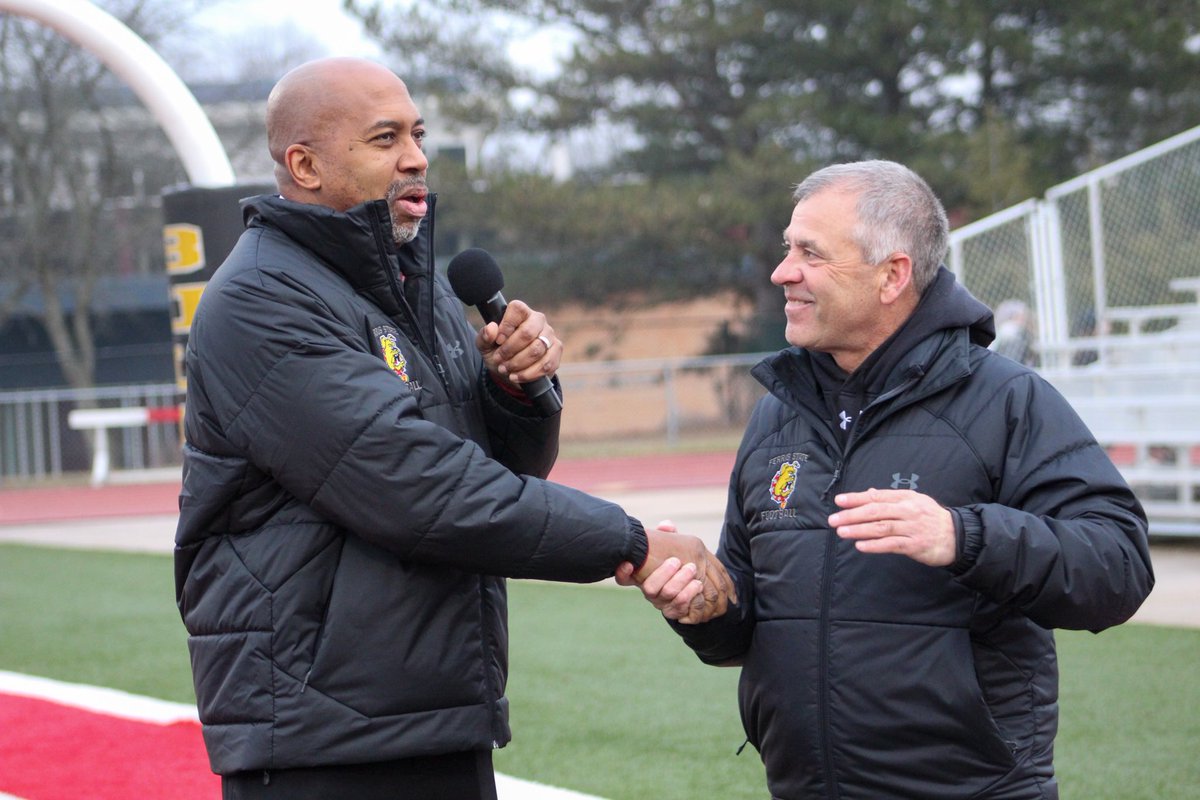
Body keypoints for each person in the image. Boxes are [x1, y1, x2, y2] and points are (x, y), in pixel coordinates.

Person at [173, 57, 732, 800]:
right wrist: (630, 541)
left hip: (432, 710)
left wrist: (514, 390)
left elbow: (499, 470)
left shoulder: (420, 286)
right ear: (304, 165)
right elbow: (419, 489)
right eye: (385, 139)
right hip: (321, 737)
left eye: (419, 134)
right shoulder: (260, 300)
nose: (416, 158)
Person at [619, 160, 1154, 799]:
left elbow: (1118, 567)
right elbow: (745, 631)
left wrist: (963, 537)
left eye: (810, 253)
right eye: (787, 248)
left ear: (892, 275)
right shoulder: (777, 415)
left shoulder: (1006, 400)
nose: (782, 272)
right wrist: (702, 605)